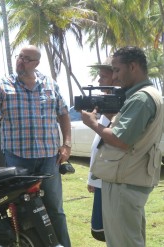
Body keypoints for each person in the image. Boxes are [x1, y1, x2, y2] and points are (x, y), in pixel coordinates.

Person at [0, 45, 72, 246]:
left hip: (49, 157)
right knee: (22, 210)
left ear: (36, 63)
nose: (20, 61)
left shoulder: (50, 84)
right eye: (19, 57)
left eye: (26, 59)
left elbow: (63, 114)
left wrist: (66, 144)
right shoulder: (4, 85)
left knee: (54, 208)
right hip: (18, 158)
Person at [81, 46, 164, 247]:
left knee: (122, 242)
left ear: (133, 66)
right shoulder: (146, 95)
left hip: (124, 181)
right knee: (128, 239)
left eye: (117, 70)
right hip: (129, 178)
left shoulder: (141, 98)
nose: (115, 76)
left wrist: (92, 122)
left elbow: (121, 140)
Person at [87, 56, 120, 242]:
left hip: (111, 179)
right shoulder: (109, 103)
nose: (98, 81)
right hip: (102, 178)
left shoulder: (121, 105)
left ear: (116, 77)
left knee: (111, 229)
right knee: (103, 230)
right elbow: (98, 144)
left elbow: (113, 142)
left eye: (103, 76)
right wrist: (92, 177)